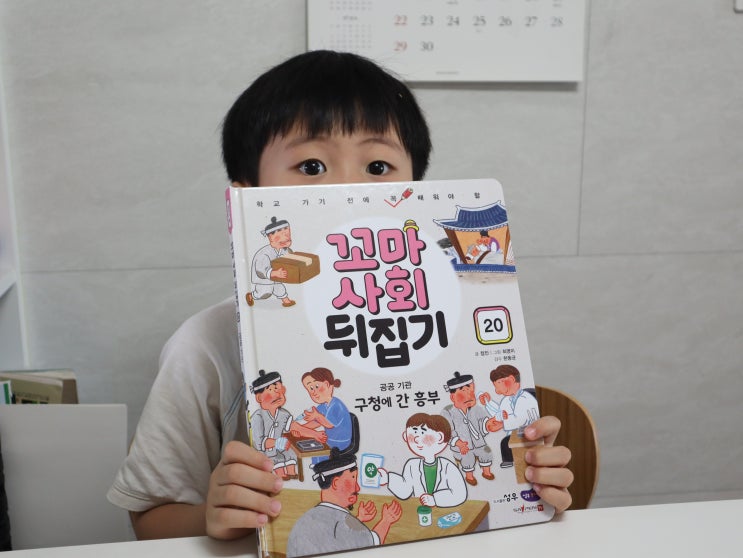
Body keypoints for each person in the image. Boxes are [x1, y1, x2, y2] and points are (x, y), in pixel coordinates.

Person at [107, 49, 573, 541]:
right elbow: (149, 518)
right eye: (311, 166)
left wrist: (533, 484)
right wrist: (213, 518)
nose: (350, 191)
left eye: (378, 166)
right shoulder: (204, 343)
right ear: (244, 199)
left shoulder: (459, 316)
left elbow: (514, 503)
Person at [286, 449, 401, 557]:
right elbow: (372, 543)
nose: (357, 488)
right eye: (353, 478)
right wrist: (386, 520)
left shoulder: (304, 520)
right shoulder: (342, 521)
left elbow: (339, 533)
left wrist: (358, 520)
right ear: (336, 483)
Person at [378, 412, 467, 508]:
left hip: (444, 511)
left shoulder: (448, 466)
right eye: (413, 434)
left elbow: (460, 494)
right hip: (419, 510)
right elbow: (405, 491)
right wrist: (388, 479)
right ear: (405, 436)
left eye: (423, 433)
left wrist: (436, 499)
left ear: (440, 437)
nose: (416, 439)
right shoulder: (412, 465)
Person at [478, 364, 541, 468]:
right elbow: (500, 412)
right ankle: (508, 460)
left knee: (506, 442)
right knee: (506, 442)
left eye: (499, 383)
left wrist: (502, 422)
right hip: (516, 432)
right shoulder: (507, 400)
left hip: (527, 431)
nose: (497, 390)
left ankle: (510, 460)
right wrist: (488, 403)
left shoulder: (525, 399)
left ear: (511, 379)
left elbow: (519, 419)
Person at [298, 367, 352, 465]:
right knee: (313, 443)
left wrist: (317, 416)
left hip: (340, 442)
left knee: (318, 446)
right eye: (310, 389)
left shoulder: (336, 405)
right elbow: (315, 423)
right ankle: (316, 466)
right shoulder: (322, 406)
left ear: (327, 384)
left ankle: (320, 467)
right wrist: (301, 429)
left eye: (316, 386)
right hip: (329, 439)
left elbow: (329, 424)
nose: (313, 392)